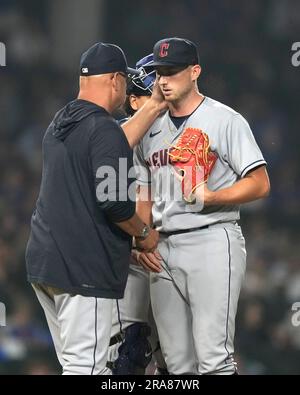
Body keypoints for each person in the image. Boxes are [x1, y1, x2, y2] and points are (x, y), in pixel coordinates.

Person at [25, 42, 166, 375]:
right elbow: (115, 203)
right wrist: (144, 233)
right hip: (82, 269)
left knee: (84, 367)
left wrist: (153, 107)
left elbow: (112, 141)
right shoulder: (103, 129)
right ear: (116, 80)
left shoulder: (62, 122)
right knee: (86, 370)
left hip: (47, 265)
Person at [134, 37, 270, 375]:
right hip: (162, 248)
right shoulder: (149, 127)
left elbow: (260, 183)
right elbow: (143, 193)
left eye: (172, 71)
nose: (163, 79)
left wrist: (211, 197)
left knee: (214, 360)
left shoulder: (224, 119)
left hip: (211, 238)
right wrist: (142, 238)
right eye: (158, 72)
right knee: (177, 364)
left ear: (195, 71)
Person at [108, 54, 168, 375]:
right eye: (154, 93)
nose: (163, 100)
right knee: (128, 353)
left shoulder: (184, 136)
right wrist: (135, 237)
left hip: (168, 259)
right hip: (127, 261)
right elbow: (105, 203)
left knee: (184, 359)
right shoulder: (114, 138)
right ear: (134, 101)